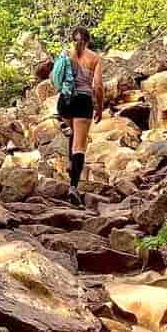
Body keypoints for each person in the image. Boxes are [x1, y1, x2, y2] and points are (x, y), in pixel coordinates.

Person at [56, 26, 103, 205]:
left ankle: (70, 161)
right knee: (80, 146)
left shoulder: (65, 54)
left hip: (65, 101)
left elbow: (57, 78)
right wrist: (99, 106)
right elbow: (98, 86)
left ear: (72, 39)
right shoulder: (94, 58)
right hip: (83, 101)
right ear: (88, 40)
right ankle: (73, 187)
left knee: (74, 133)